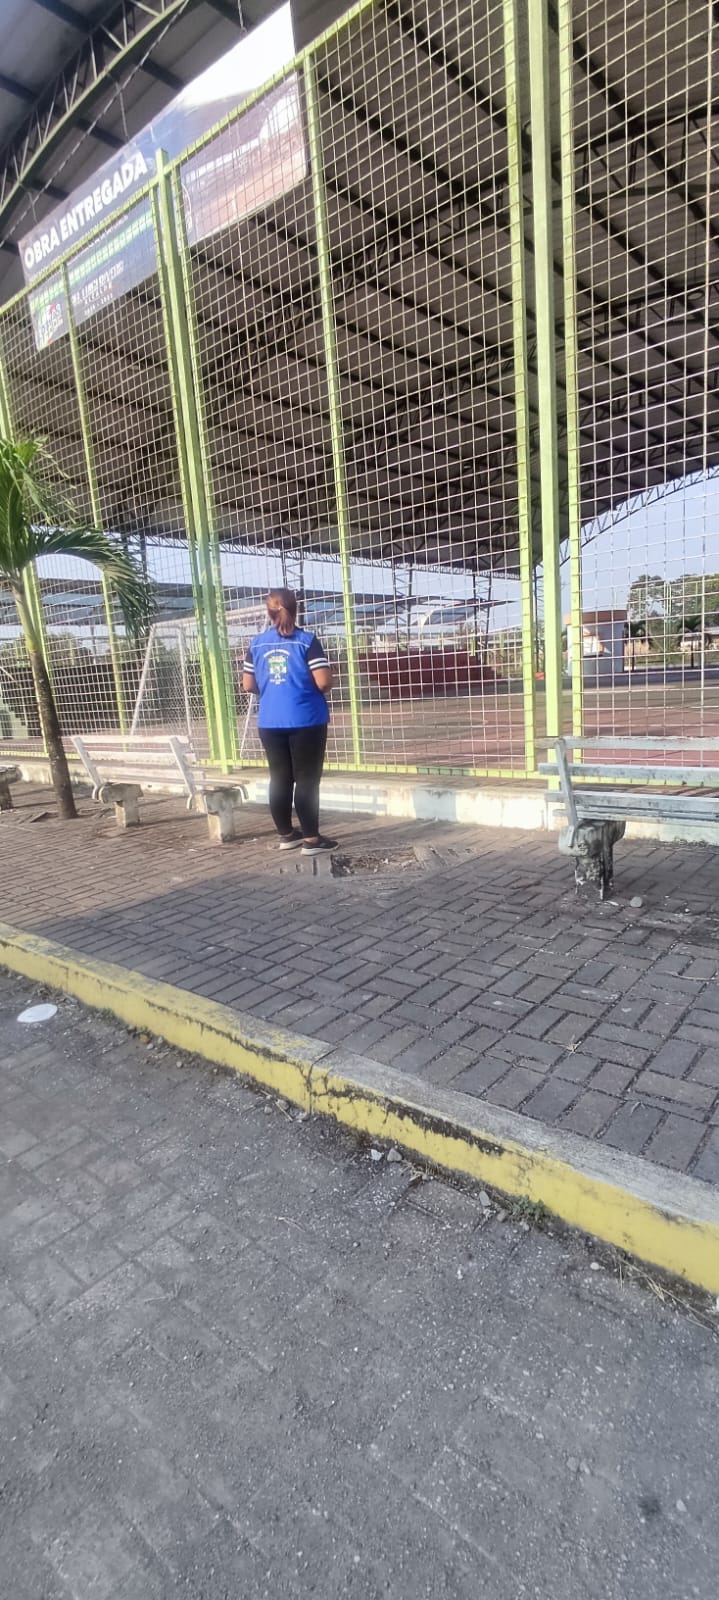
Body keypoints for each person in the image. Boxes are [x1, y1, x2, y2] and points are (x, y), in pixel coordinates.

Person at [242, 589, 337, 855]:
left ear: (269, 612)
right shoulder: (307, 641)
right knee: (307, 780)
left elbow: (248, 685)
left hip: (270, 721)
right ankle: (312, 840)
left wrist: (273, 689)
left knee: (279, 779)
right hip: (306, 719)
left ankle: (286, 835)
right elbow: (323, 681)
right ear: (296, 610)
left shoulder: (256, 644)